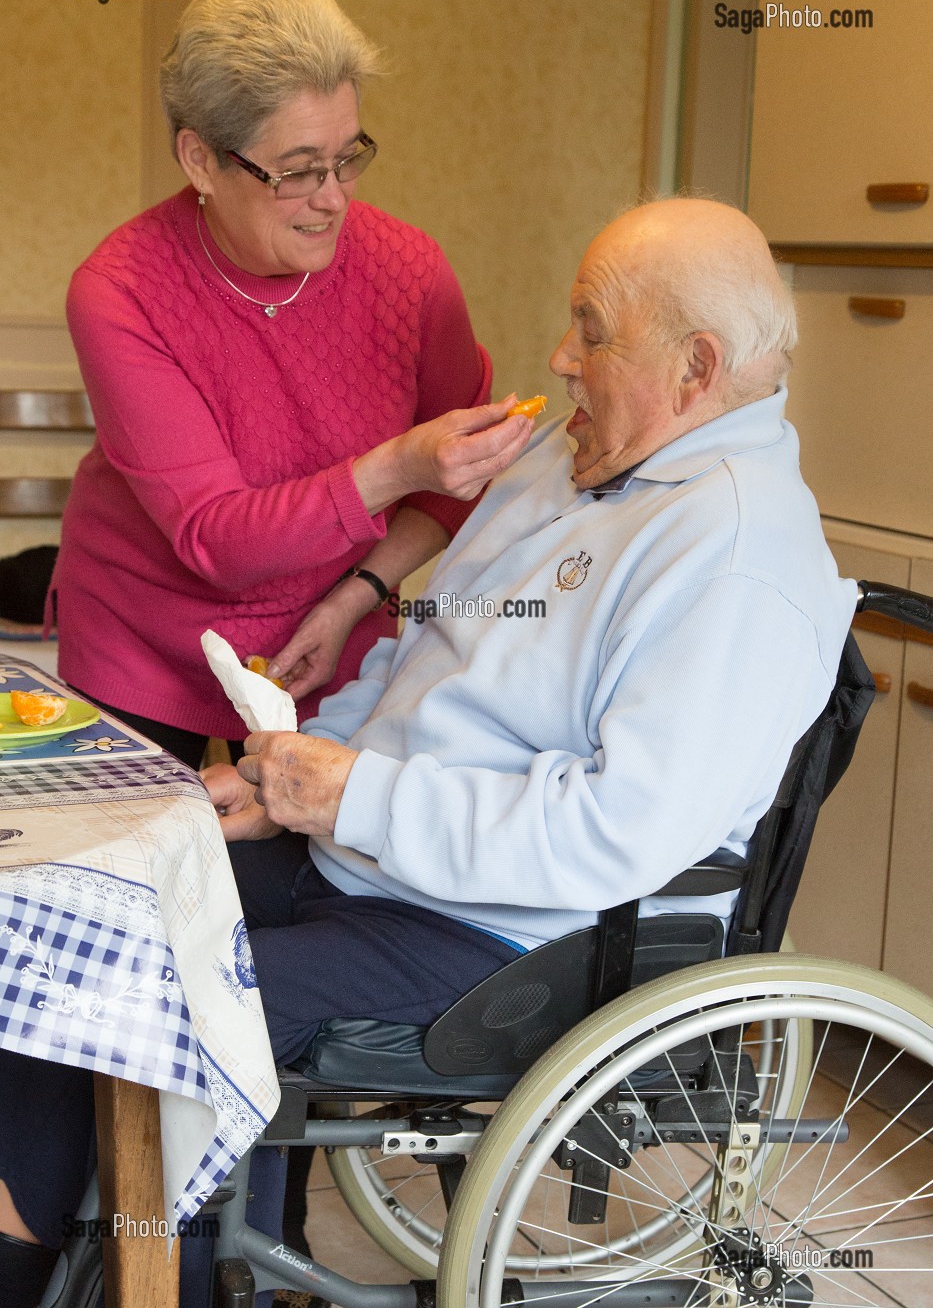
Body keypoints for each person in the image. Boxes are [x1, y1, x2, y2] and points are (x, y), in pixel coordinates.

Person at [0, 197, 855, 1302]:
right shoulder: (570, 459)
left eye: (592, 329)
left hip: (509, 926)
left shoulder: (737, 556)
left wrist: (352, 797)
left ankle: (179, 1274)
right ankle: (35, 1250)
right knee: (84, 917)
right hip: (379, 857)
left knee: (169, 994)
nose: (560, 356)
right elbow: (421, 657)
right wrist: (290, 778)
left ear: (695, 369)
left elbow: (610, 830)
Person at [51, 0, 531, 770]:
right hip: (143, 640)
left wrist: (355, 597)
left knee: (300, 886)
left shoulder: (409, 272)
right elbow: (216, 539)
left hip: (334, 629)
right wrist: (398, 462)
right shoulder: (119, 292)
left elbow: (457, 484)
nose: (334, 197)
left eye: (349, 158)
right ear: (200, 160)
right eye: (299, 170)